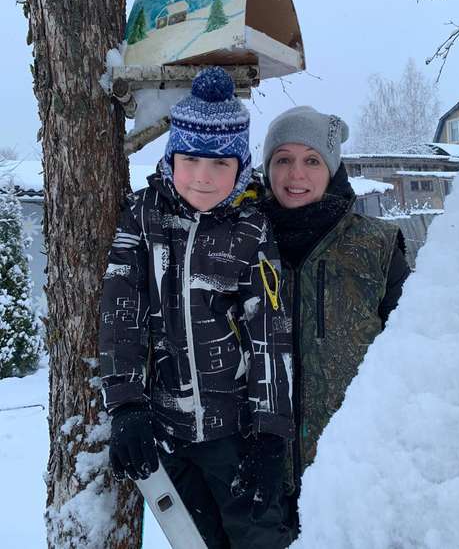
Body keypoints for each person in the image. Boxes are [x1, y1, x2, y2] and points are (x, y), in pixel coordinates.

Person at [99, 67, 294, 549]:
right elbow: (121, 308)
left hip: (237, 438)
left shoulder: (253, 230)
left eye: (220, 164)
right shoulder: (143, 215)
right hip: (169, 434)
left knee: (259, 539)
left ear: (241, 166)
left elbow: (270, 331)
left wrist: (270, 435)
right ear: (170, 159)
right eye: (190, 159)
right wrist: (125, 404)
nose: (203, 178)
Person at [261, 105, 410, 530]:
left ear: (332, 168)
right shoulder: (240, 244)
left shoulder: (377, 248)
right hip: (258, 484)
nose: (296, 175)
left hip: (353, 478)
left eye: (312, 160)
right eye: (283, 160)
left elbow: (411, 355)